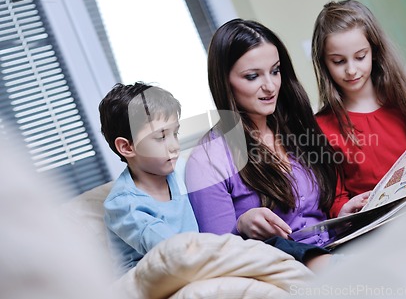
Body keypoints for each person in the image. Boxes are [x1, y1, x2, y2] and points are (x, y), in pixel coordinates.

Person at [185, 19, 368, 252]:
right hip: (283, 270)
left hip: (336, 251)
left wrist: (342, 217)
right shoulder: (207, 160)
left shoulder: (295, 130)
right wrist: (241, 227)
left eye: (275, 71)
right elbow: (218, 255)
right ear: (224, 82)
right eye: (253, 76)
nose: (271, 86)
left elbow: (316, 217)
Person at [311, 0, 406, 217]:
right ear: (324, 63)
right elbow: (335, 198)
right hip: (376, 228)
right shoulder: (322, 127)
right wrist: (342, 210)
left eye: (360, 57)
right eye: (338, 61)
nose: (351, 70)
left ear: (374, 51)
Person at [99, 82, 198, 273]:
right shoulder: (123, 203)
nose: (175, 146)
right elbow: (171, 249)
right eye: (161, 137)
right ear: (127, 147)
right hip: (146, 281)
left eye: (175, 133)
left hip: (190, 265)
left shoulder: (180, 172)